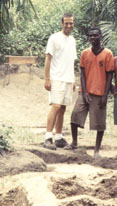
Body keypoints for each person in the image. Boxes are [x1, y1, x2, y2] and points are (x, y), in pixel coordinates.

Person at [66, 28, 114, 157]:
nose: (93, 37)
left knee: (99, 123)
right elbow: (82, 74)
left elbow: (110, 75)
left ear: (100, 36)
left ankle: (97, 150)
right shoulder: (85, 53)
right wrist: (85, 91)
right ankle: (74, 142)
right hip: (85, 92)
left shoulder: (108, 54)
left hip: (99, 93)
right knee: (75, 116)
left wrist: (105, 95)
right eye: (91, 35)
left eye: (95, 35)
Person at [43, 13, 76, 150]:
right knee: (56, 106)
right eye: (66, 23)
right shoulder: (54, 38)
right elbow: (48, 59)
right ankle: (48, 137)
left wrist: (73, 79)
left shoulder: (73, 40)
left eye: (71, 23)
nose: (68, 25)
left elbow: (72, 61)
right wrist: (47, 78)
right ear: (62, 23)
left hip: (68, 79)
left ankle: (59, 137)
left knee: (63, 108)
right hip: (56, 78)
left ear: (73, 24)